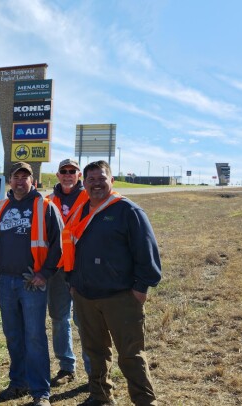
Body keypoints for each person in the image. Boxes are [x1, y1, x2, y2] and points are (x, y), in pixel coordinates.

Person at [63, 160, 161, 406]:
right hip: (85, 296)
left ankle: (145, 401)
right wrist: (73, 283)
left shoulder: (128, 211)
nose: (96, 184)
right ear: (83, 183)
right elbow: (71, 249)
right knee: (95, 353)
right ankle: (101, 397)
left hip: (121, 298)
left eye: (101, 178)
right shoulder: (80, 210)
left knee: (130, 355)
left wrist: (140, 290)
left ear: (112, 180)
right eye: (91, 179)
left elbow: (147, 254)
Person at [0, 162, 63, 406]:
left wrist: (44, 273)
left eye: (25, 177)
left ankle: (41, 392)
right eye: (16, 177)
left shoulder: (44, 206)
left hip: (32, 281)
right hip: (5, 279)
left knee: (34, 336)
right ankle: (18, 383)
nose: (20, 181)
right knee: (12, 335)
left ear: (33, 180)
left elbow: (58, 245)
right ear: (9, 180)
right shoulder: (2, 206)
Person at [45, 158, 91, 386]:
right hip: (57, 269)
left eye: (72, 171)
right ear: (58, 175)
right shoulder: (47, 201)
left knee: (85, 320)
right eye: (64, 171)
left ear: (79, 175)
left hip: (82, 269)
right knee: (59, 319)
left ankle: (95, 371)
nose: (68, 174)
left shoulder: (90, 198)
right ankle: (66, 367)